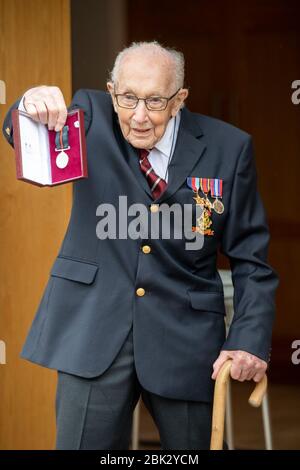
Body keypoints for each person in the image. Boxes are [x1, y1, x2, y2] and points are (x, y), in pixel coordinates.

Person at [2, 41, 279, 450]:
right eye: (128, 97)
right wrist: (27, 104)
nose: (139, 116)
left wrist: (248, 339)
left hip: (185, 340)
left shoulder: (229, 148)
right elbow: (19, 131)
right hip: (92, 330)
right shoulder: (90, 118)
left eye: (155, 100)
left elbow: (252, 261)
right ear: (112, 90)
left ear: (179, 99)